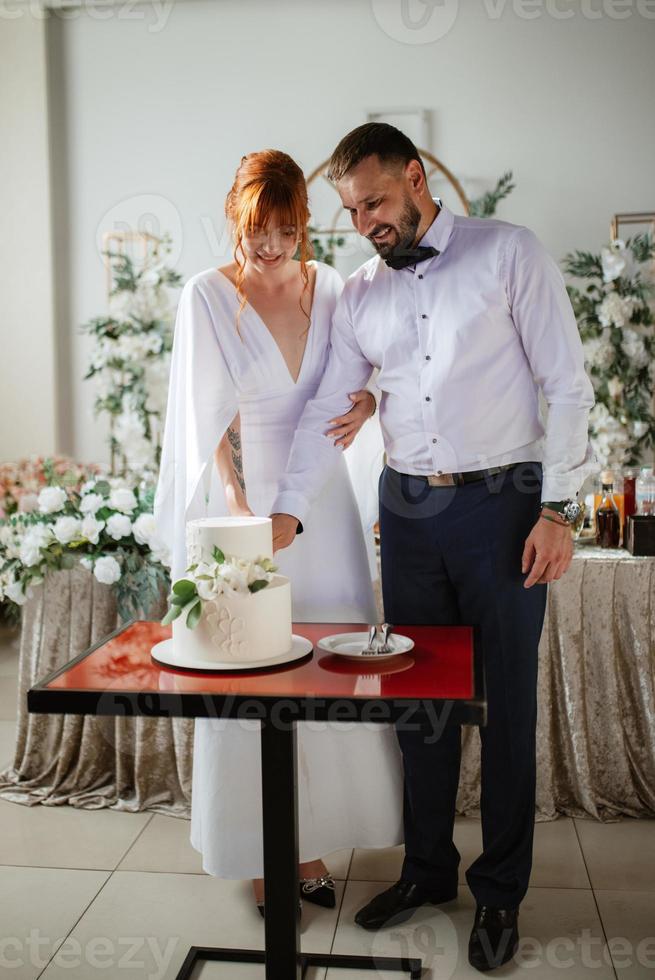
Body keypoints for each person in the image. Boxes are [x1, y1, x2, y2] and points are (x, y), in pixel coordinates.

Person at [270, 124, 595, 971]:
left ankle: (498, 895)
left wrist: (558, 508)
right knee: (419, 708)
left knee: (504, 709)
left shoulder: (508, 253)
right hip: (405, 513)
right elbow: (325, 412)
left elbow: (566, 386)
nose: (365, 223)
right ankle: (426, 871)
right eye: (350, 211)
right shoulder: (361, 295)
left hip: (503, 507)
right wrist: (284, 513)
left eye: (375, 201)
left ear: (415, 178)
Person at [154, 149, 403, 916]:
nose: (270, 248)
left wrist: (367, 402)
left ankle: (315, 840)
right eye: (257, 231)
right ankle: (264, 854)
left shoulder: (330, 286)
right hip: (248, 506)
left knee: (326, 668)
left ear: (304, 225)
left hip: (322, 501)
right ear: (236, 220)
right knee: (255, 671)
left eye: (286, 231)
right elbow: (207, 422)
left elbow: (370, 365)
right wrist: (243, 513)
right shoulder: (207, 295)